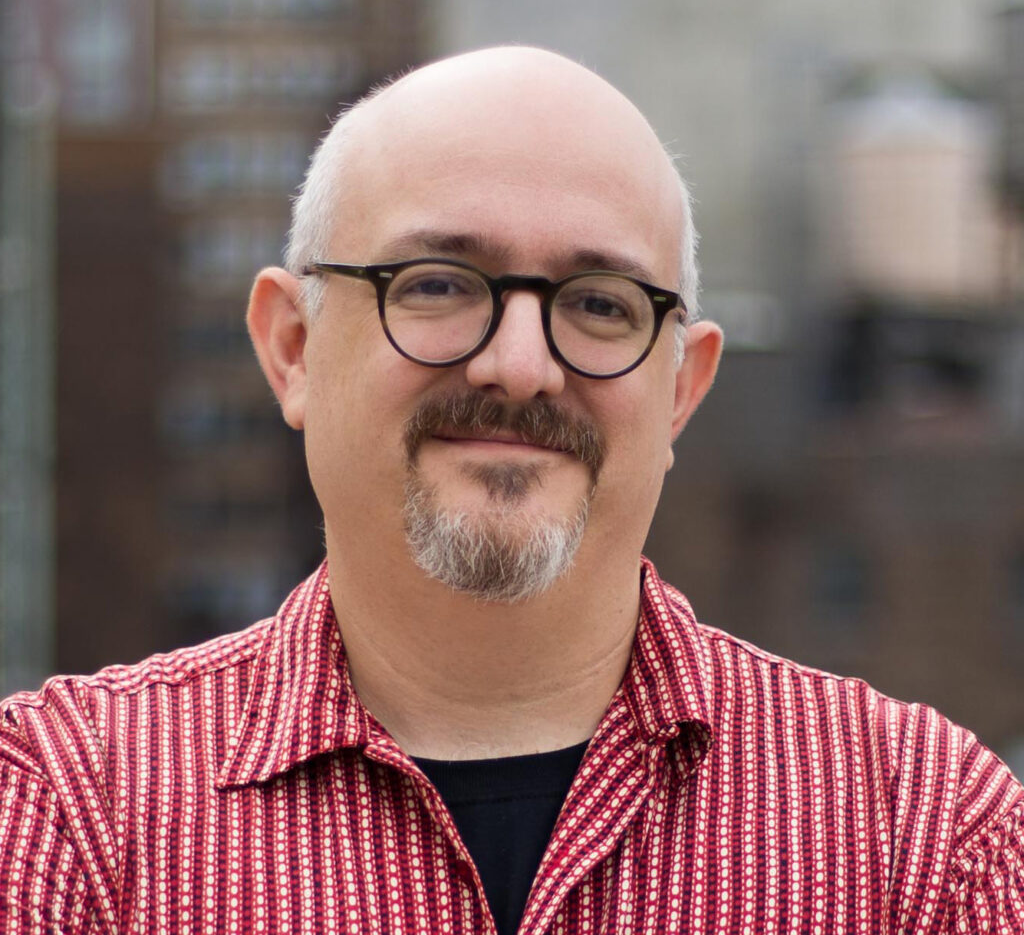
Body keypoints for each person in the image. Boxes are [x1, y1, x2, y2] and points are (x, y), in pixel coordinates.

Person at [1, 47, 1021, 935]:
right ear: (294, 347)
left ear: (681, 389)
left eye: (599, 304)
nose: (522, 365)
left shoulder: (924, 841)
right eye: (439, 284)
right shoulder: (62, 820)